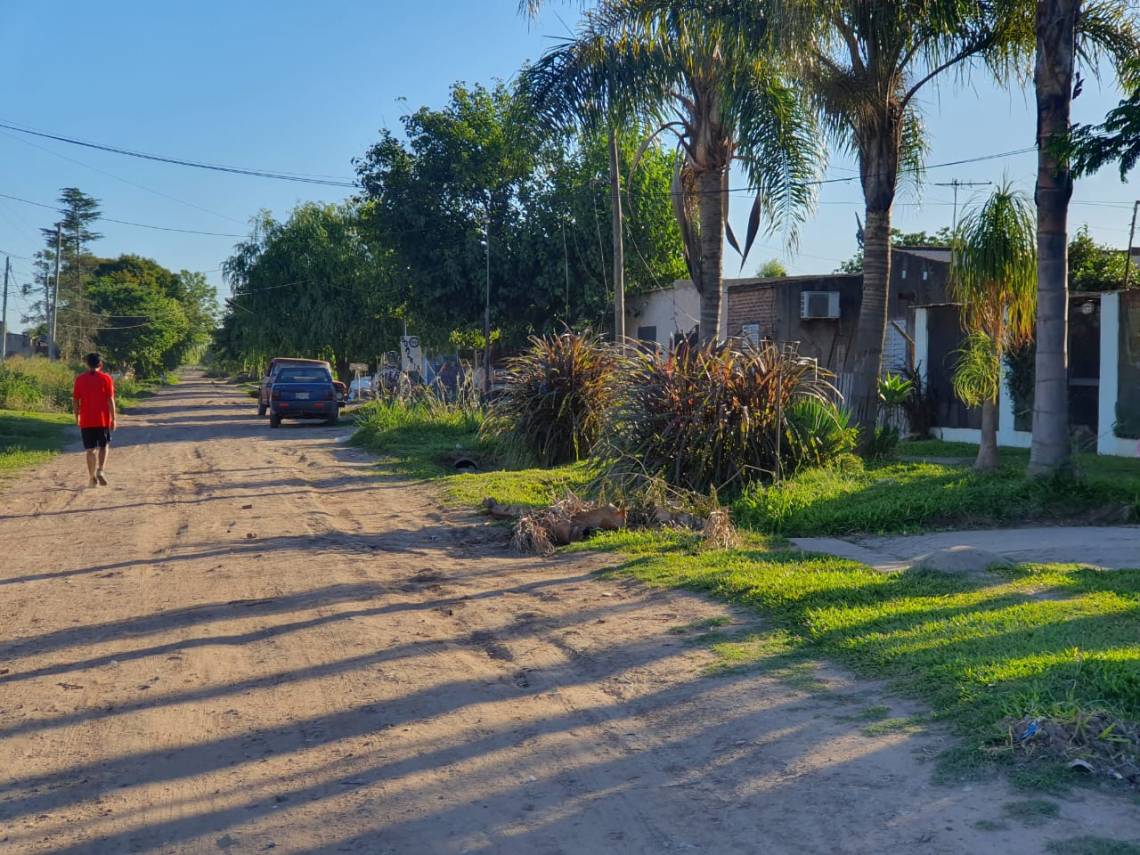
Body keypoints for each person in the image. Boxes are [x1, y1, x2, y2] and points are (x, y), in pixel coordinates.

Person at [73, 352, 116, 488]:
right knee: (104, 446)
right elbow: (110, 400)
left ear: (87, 364)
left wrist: (77, 416)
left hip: (86, 420)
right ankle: (100, 470)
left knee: (90, 450)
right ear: (100, 364)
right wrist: (114, 418)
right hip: (102, 420)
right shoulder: (106, 378)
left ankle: (91, 478)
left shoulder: (80, 379)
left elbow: (75, 400)